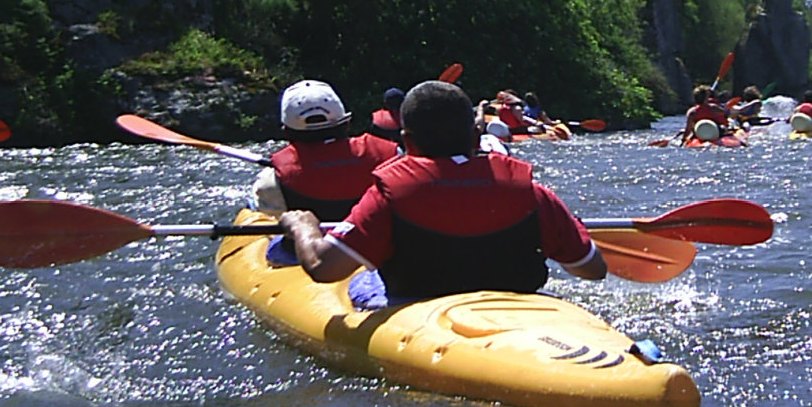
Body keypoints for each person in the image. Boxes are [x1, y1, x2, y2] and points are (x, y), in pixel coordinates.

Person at [276, 80, 606, 303]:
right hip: (516, 310)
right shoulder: (533, 193)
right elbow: (591, 269)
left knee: (360, 279)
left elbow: (324, 268)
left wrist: (303, 227)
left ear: (406, 141)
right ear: (477, 136)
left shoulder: (389, 194)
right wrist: (567, 227)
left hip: (419, 308)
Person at [252, 81, 399, 222]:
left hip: (308, 245)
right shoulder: (393, 156)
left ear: (287, 133)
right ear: (346, 124)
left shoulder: (272, 179)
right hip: (379, 245)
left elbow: (271, 227)